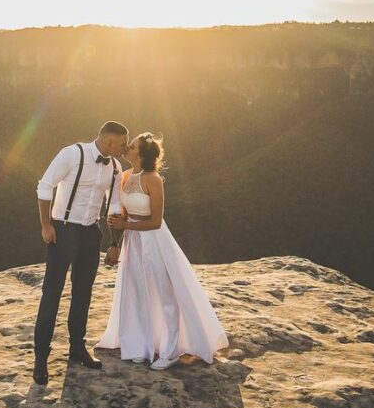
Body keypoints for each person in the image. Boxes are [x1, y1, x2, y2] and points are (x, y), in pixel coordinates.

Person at [96, 133, 229, 370]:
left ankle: (171, 350)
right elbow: (121, 215)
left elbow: (156, 221)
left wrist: (125, 226)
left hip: (154, 240)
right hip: (133, 243)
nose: (127, 146)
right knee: (136, 292)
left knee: (164, 294)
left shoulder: (153, 180)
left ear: (142, 154)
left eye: (133, 145)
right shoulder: (124, 177)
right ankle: (141, 345)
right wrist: (115, 242)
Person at [31, 120, 128, 386]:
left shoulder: (117, 167)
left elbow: (115, 205)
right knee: (52, 293)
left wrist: (114, 242)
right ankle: (41, 358)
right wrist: (46, 224)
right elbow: (45, 185)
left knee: (83, 293)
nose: (125, 148)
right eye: (121, 144)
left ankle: (77, 348)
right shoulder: (72, 154)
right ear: (108, 142)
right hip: (62, 230)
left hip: (90, 232)